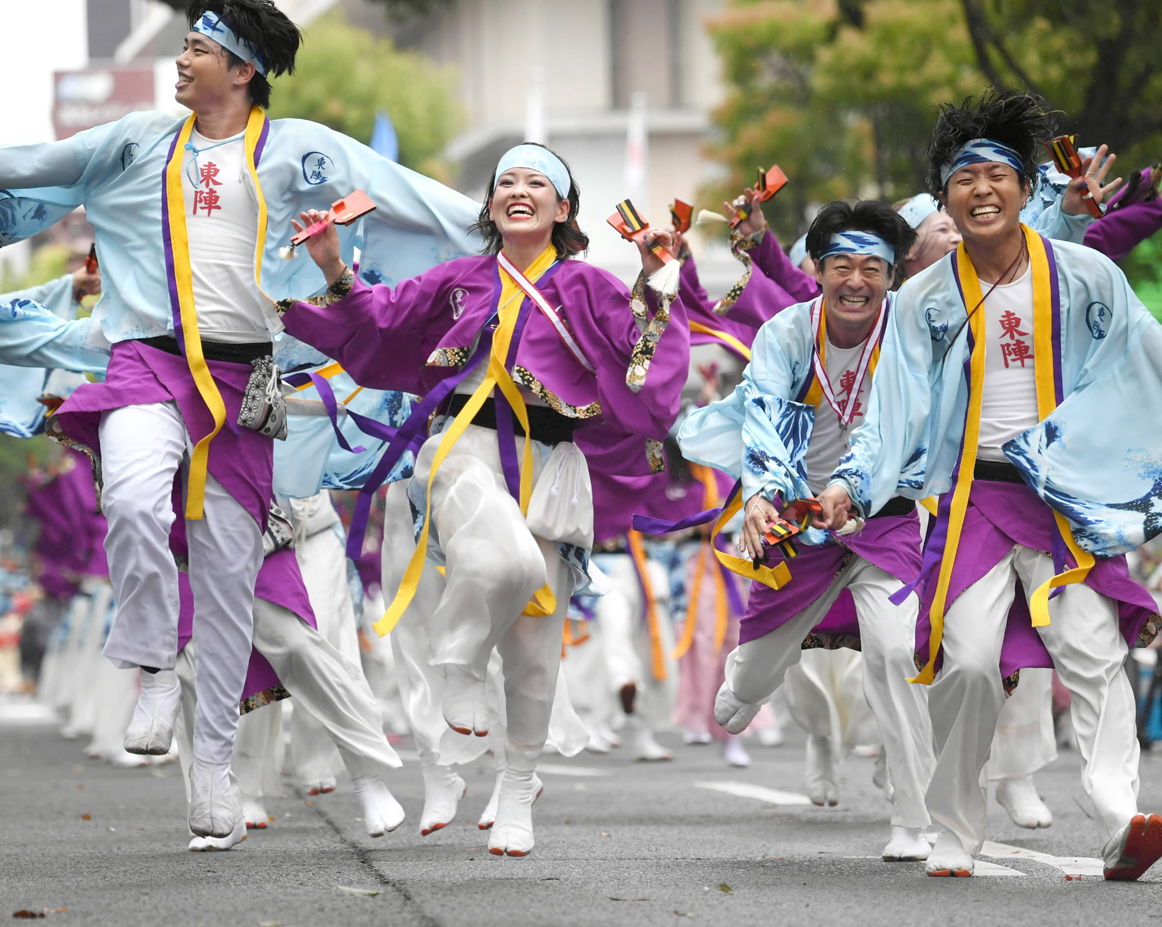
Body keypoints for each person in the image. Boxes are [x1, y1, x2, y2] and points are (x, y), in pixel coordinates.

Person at [0, 0, 477, 842]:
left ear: (243, 71)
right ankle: (155, 663)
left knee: (231, 581)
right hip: (145, 362)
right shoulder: (133, 142)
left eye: (198, 49)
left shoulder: (298, 149)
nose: (182, 60)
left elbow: (400, 194)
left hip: (243, 382)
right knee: (131, 498)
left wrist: (499, 229)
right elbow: (28, 162)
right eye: (184, 45)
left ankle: (212, 771)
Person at [277, 142, 690, 856]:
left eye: (537, 182)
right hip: (461, 447)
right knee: (504, 566)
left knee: (535, 649)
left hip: (552, 464)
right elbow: (379, 322)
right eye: (506, 182)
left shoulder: (589, 286)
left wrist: (657, 279)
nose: (519, 191)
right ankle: (460, 664)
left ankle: (520, 783)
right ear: (492, 205)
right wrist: (331, 264)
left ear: (563, 209)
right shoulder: (460, 279)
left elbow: (643, 362)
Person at [818, 89, 1162, 880]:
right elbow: (890, 411)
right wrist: (851, 483)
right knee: (967, 661)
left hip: (1063, 496)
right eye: (962, 180)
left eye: (995, 176)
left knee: (1094, 645)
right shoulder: (920, 302)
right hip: (973, 497)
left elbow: (1144, 356)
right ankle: (953, 827)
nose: (979, 190)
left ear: (1021, 189)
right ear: (945, 199)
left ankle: (1120, 820)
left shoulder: (1082, 275)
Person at [677, 199, 935, 862]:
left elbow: (885, 426)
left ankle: (913, 815)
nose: (857, 280)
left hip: (884, 519)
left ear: (892, 274)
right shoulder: (789, 333)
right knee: (747, 693)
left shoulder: (906, 333)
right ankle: (746, 678)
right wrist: (763, 495)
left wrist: (851, 486)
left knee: (896, 651)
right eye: (842, 264)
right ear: (816, 269)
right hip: (800, 524)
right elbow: (764, 414)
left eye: (872, 267)